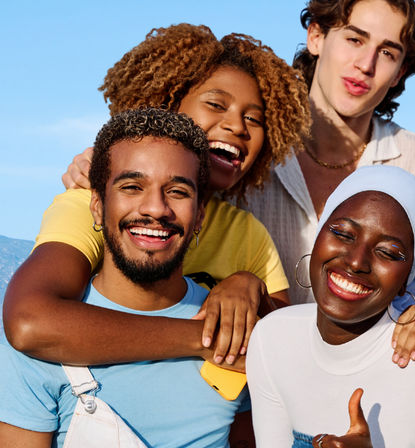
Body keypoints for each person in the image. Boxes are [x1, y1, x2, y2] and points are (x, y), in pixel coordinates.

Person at [4, 24, 309, 371]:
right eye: (216, 104)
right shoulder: (91, 205)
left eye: (254, 118)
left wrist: (250, 287)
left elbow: (291, 346)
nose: (237, 126)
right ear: (165, 103)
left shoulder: (245, 232)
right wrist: (201, 340)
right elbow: (28, 322)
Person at [0, 108, 248, 447]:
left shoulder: (235, 329)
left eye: (177, 191)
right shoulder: (34, 346)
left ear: (200, 214)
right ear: (98, 206)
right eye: (132, 186)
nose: (156, 208)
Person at [246, 166, 415, 447]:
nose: (356, 262)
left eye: (387, 252)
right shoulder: (272, 338)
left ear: (409, 277)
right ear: (318, 236)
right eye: (342, 233)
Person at [242, 0, 415, 306]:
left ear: (399, 73)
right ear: (316, 37)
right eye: (355, 39)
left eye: (387, 52)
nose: (366, 64)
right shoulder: (254, 141)